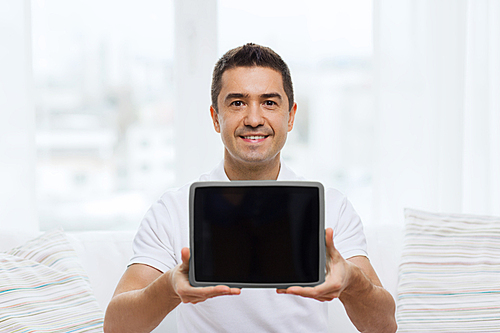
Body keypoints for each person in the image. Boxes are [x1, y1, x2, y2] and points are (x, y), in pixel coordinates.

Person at [104, 43, 397, 333]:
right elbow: (116, 326)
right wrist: (169, 287)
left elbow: (384, 326)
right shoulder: (173, 210)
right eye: (237, 103)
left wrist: (351, 282)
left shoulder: (332, 207)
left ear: (291, 116)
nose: (254, 119)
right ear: (216, 118)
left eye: (269, 102)